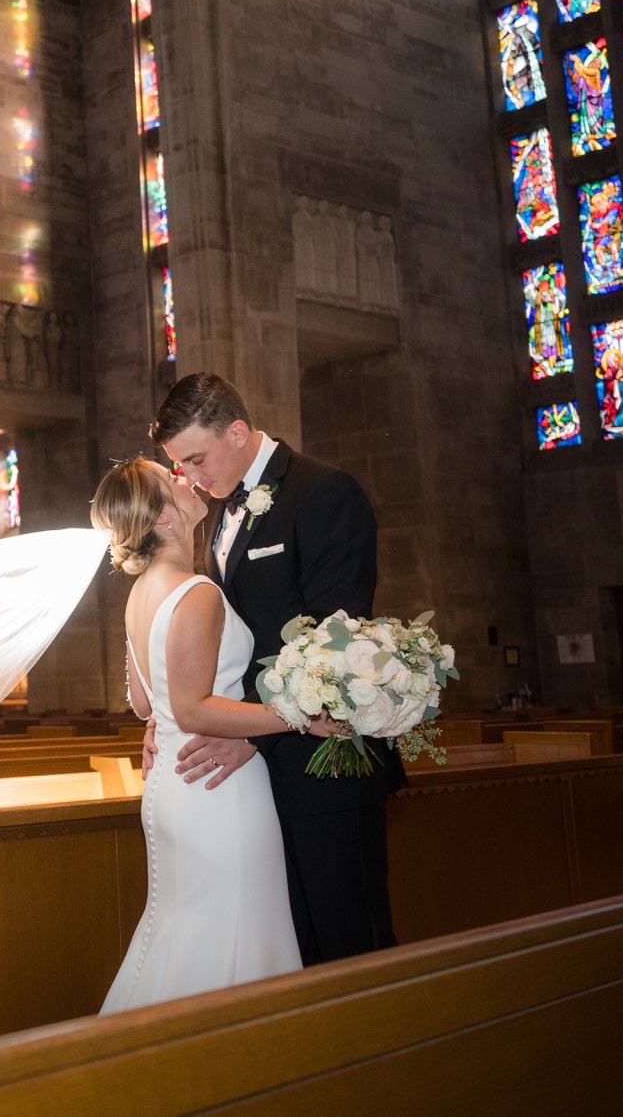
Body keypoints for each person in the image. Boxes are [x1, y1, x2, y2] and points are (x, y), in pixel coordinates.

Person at [153, 372, 405, 966]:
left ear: (237, 432)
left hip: (325, 768)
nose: (188, 477)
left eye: (195, 458)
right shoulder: (218, 515)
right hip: (259, 780)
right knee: (293, 951)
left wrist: (253, 738)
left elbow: (335, 642)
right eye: (178, 466)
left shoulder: (324, 493)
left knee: (351, 945)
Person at [90, 457, 329, 1012]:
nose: (184, 478)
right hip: (219, 793)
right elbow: (192, 709)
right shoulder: (195, 591)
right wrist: (300, 716)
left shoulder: (141, 592)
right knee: (234, 933)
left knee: (184, 932)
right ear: (163, 518)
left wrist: (161, 723)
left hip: (174, 788)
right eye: (169, 478)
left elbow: (146, 702)